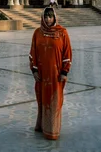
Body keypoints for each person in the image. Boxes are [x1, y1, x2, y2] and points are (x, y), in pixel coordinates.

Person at [29, 7, 72, 140]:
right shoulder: (38, 33)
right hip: (42, 74)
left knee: (54, 101)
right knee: (42, 100)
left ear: (54, 17)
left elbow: (67, 53)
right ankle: (42, 126)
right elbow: (33, 53)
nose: (48, 19)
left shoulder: (62, 33)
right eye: (46, 17)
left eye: (50, 16)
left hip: (56, 74)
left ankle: (52, 130)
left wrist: (64, 71)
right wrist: (34, 70)